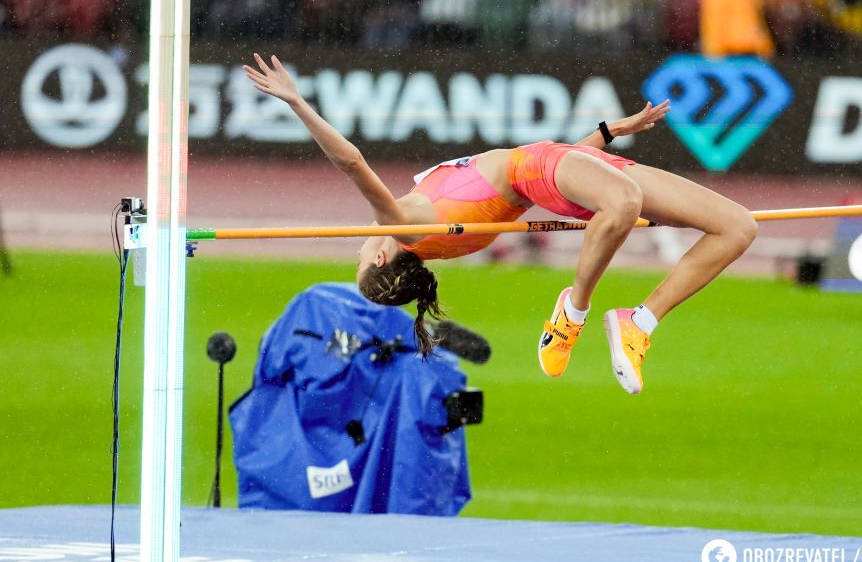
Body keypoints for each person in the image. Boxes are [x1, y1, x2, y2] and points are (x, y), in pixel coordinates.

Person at [243, 54, 758, 395]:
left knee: (737, 227)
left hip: (563, 173)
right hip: (553, 172)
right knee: (624, 202)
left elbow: (547, 179)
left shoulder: (447, 234)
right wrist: (297, 102)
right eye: (360, 255)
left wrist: (607, 132)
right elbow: (353, 162)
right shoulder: (406, 227)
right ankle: (573, 312)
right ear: (383, 255)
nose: (359, 246)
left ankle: (639, 322)